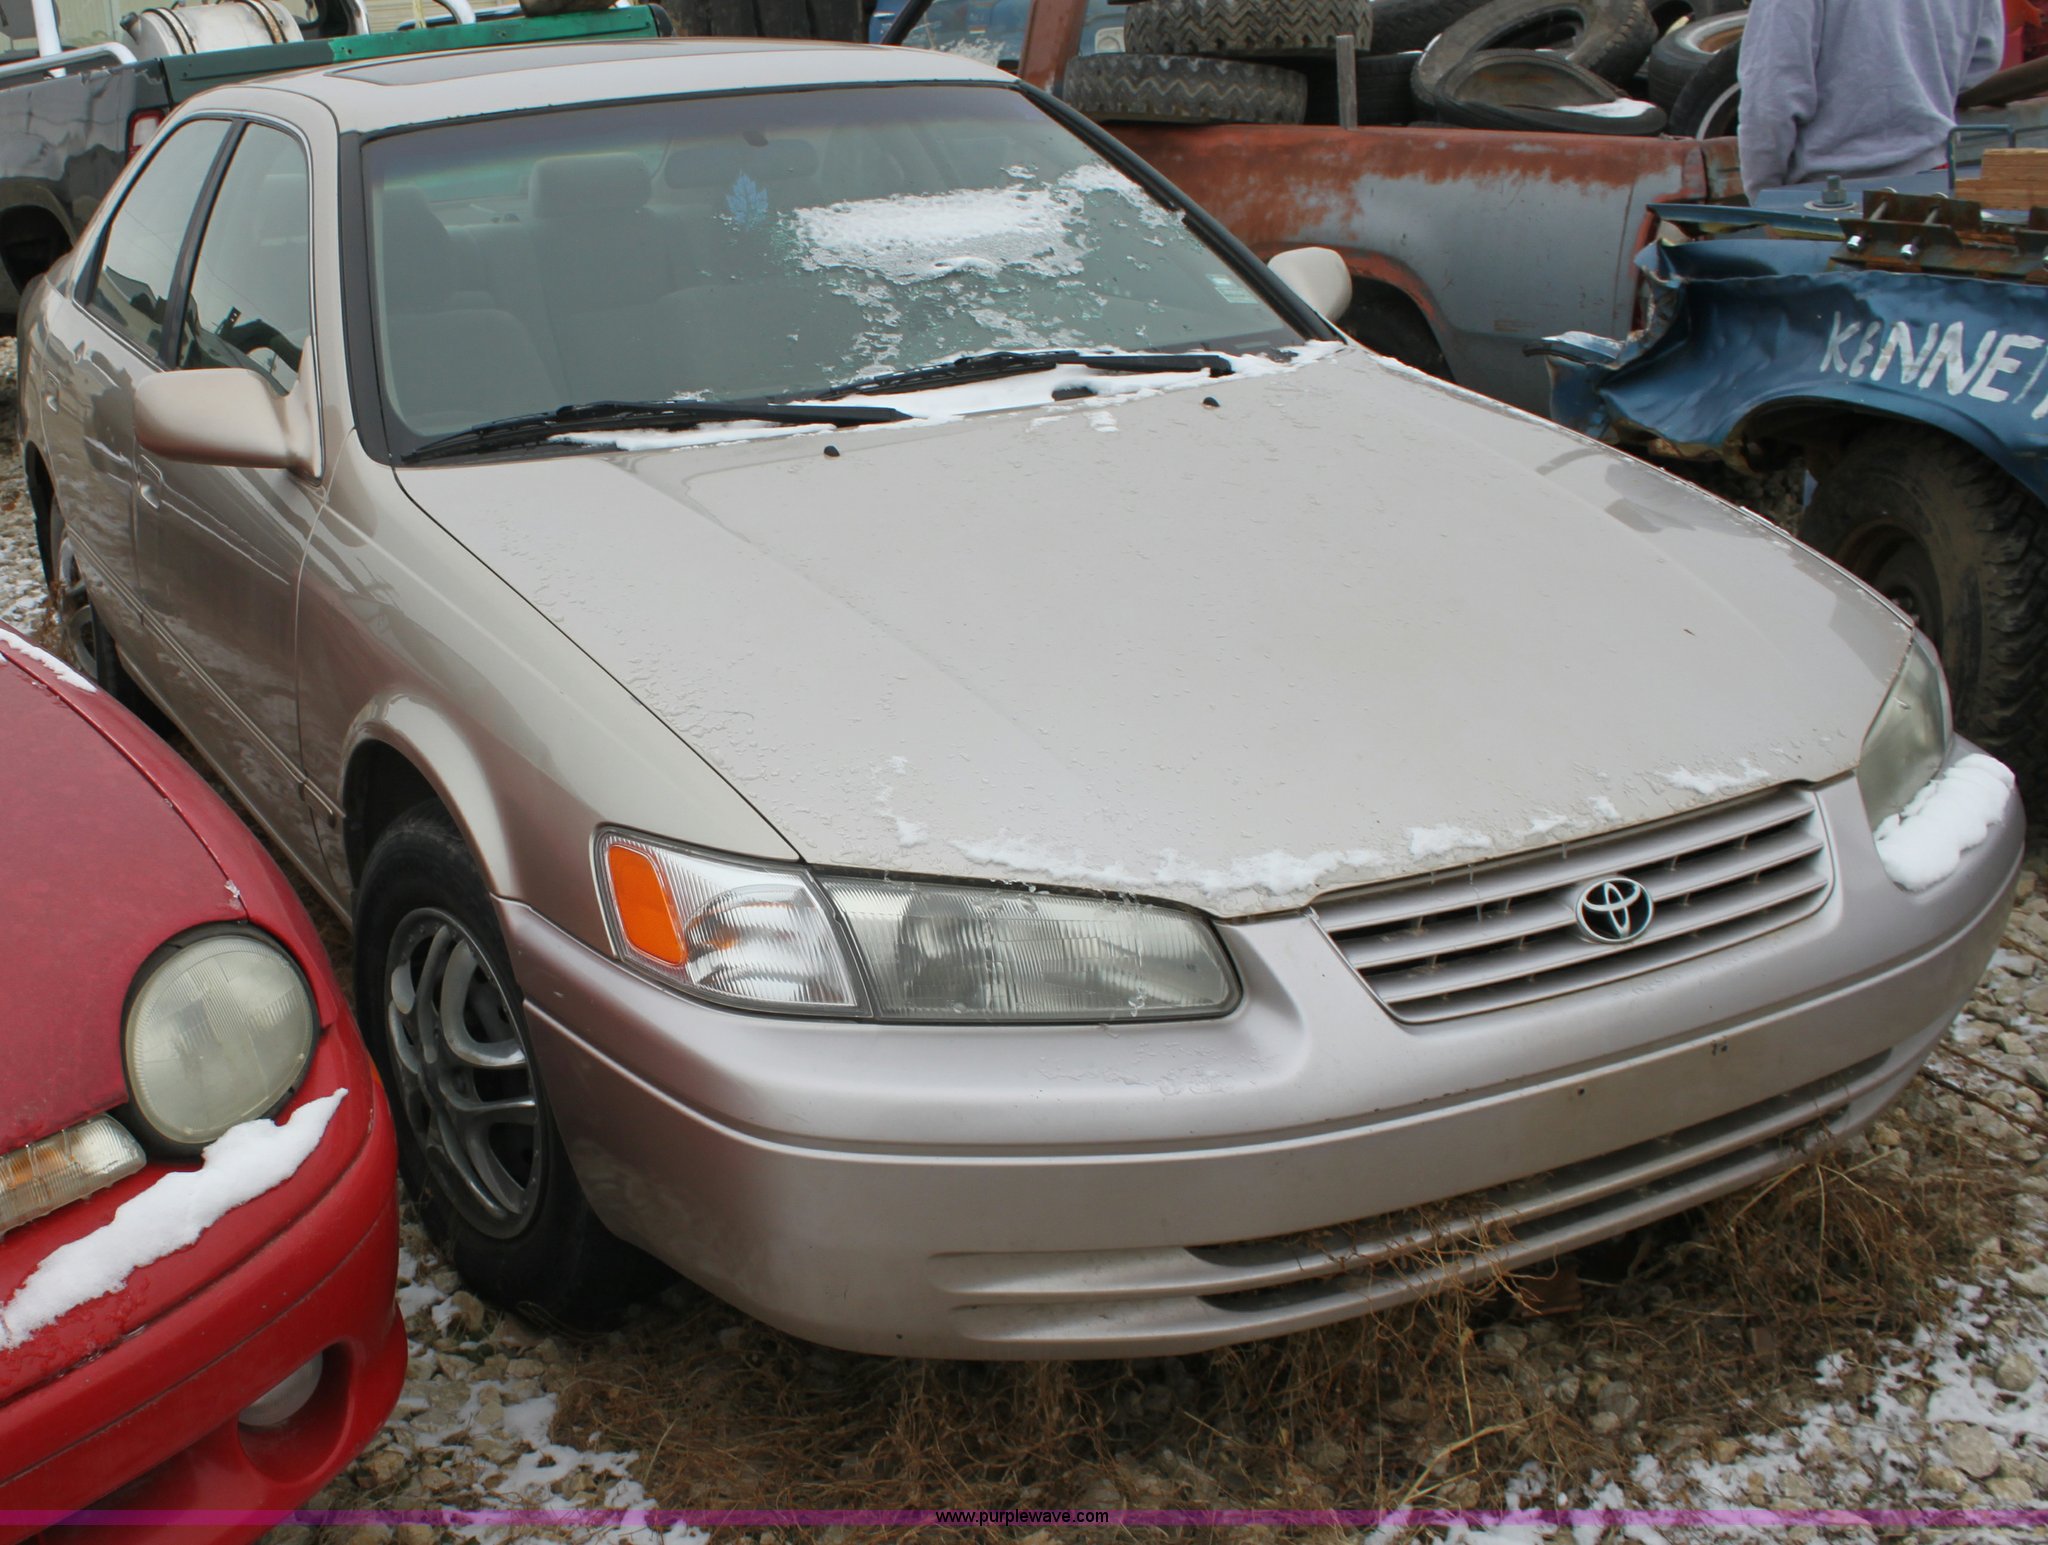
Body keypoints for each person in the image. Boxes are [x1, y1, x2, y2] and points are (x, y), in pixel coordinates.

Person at [1737, 0, 2007, 193]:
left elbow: (1769, 102)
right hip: (1934, 182)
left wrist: (1765, 196)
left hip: (1829, 199)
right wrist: (1919, 83)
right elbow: (1984, 56)